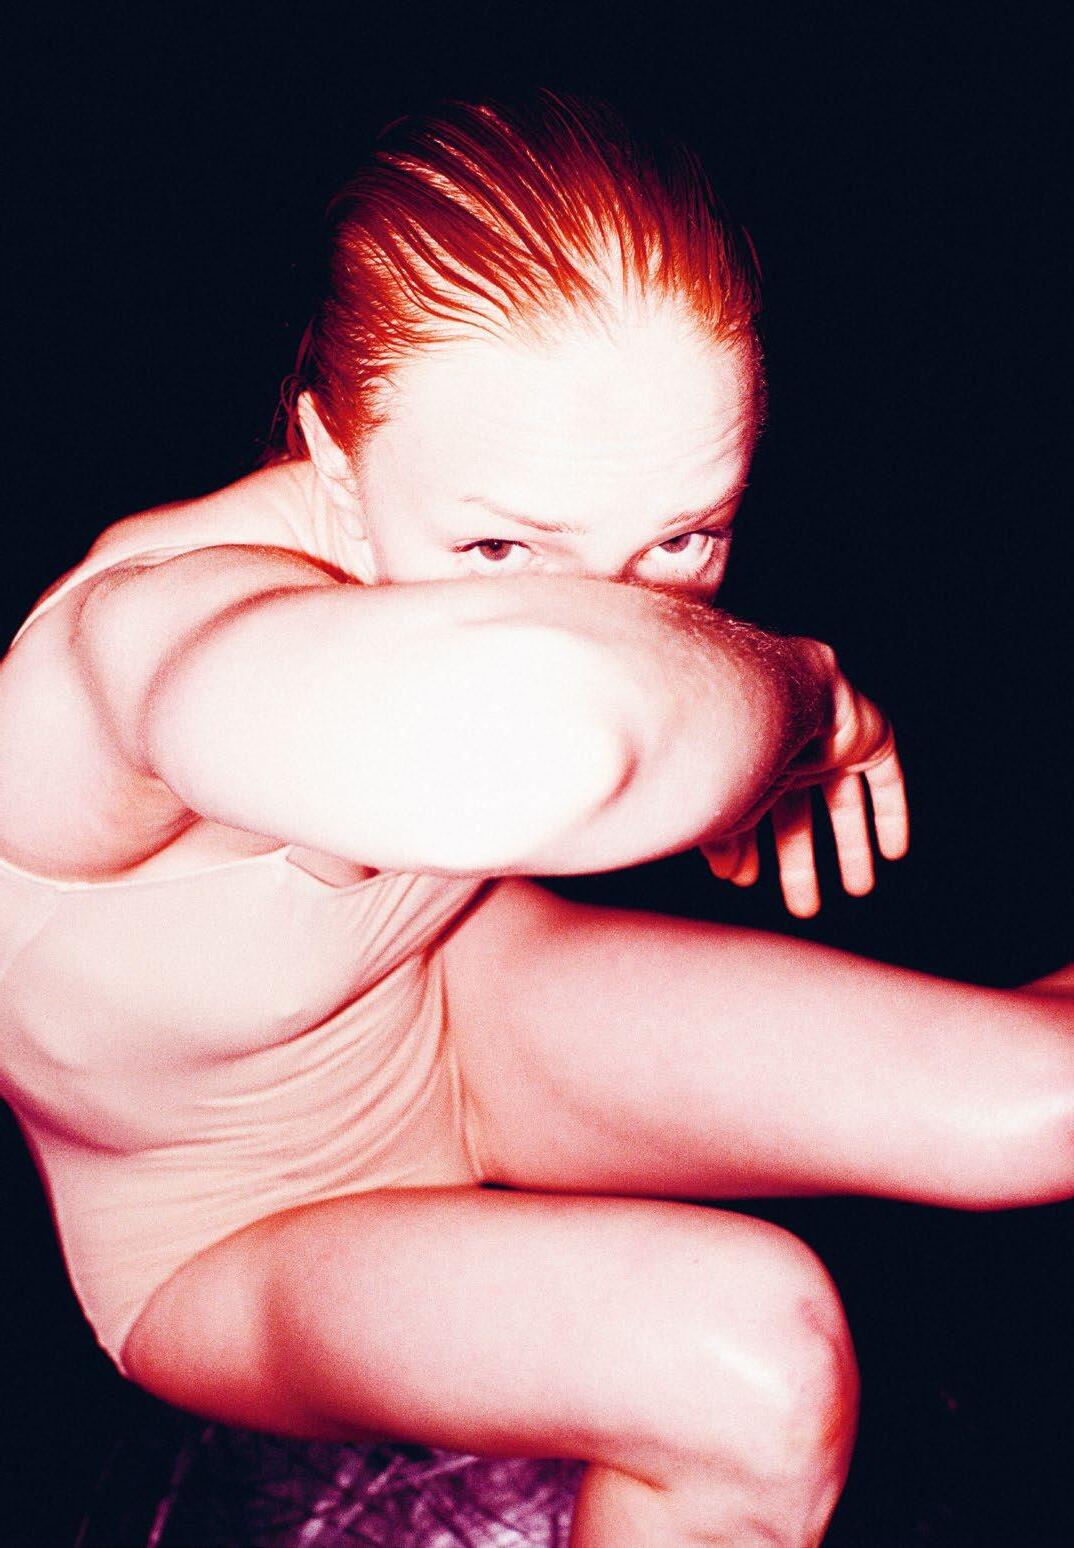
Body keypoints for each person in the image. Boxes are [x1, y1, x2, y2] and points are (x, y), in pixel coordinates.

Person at [0, 92, 1070, 1548]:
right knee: (747, 1363)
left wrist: (706, 702)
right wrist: (804, 701)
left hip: (459, 996)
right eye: (506, 545)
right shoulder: (143, 643)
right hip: (215, 1228)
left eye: (683, 536)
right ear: (333, 463)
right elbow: (565, 735)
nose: (624, 606)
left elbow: (612, 686)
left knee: (1044, 1108)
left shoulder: (516, 512)